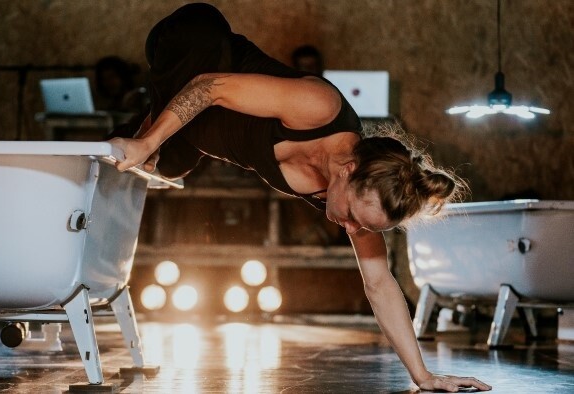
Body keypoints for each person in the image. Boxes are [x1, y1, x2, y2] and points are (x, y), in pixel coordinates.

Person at [109, 4, 491, 392]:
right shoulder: (320, 107)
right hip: (194, 42)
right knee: (153, 141)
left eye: (364, 227)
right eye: (355, 216)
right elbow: (212, 86)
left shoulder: (360, 200)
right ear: (348, 170)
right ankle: (150, 119)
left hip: (198, 124)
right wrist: (147, 141)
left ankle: (152, 117)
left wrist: (423, 376)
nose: (353, 228)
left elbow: (380, 284)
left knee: (170, 164)